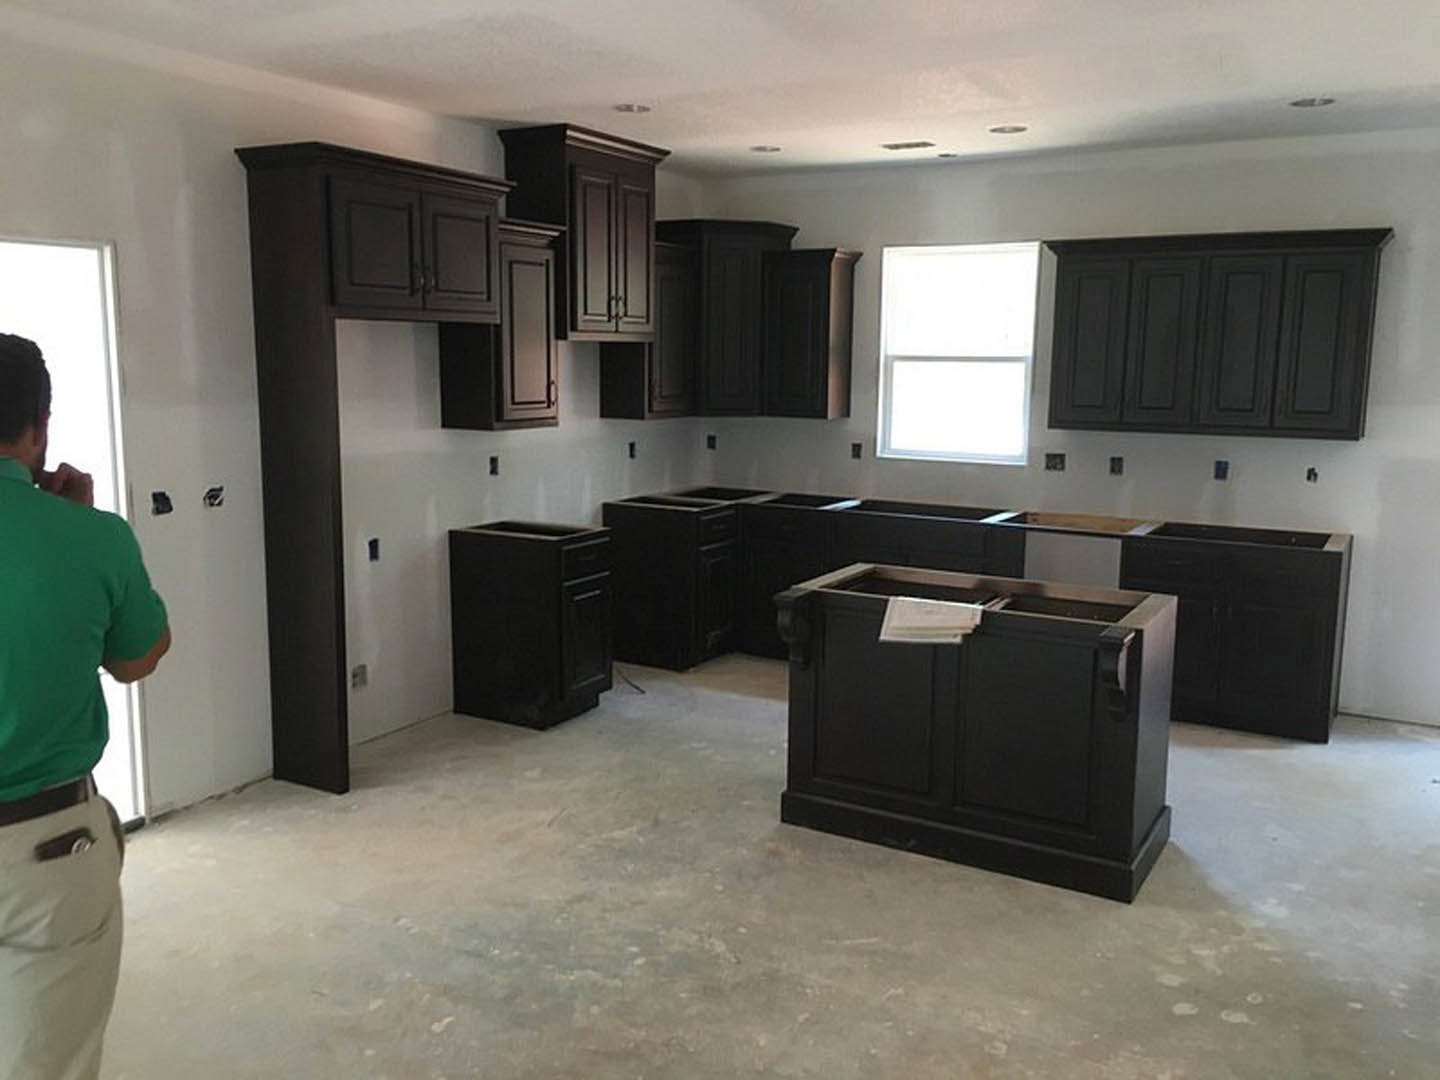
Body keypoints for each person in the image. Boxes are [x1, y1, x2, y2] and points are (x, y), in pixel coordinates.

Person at [0, 333, 170, 1080]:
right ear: (38, 432)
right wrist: (78, 530)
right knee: (48, 1062)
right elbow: (137, 659)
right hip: (48, 850)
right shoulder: (94, 538)